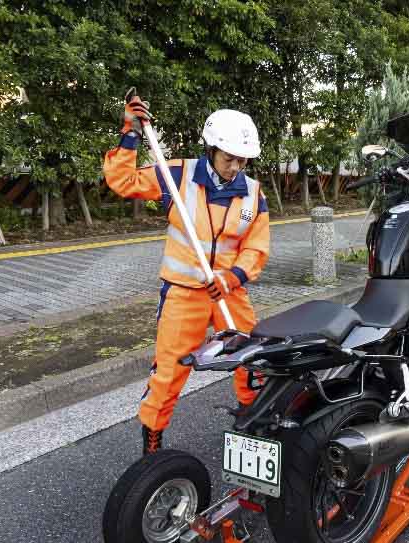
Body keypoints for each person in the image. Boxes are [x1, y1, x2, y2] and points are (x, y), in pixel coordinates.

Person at [103, 92, 270, 455]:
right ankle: (153, 446)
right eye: (229, 158)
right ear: (211, 150)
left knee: (251, 364)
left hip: (229, 292)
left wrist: (232, 277)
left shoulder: (254, 194)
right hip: (182, 294)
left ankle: (253, 427)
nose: (235, 166)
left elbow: (257, 248)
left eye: (242, 160)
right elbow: (123, 181)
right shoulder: (176, 173)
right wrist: (130, 133)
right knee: (169, 373)